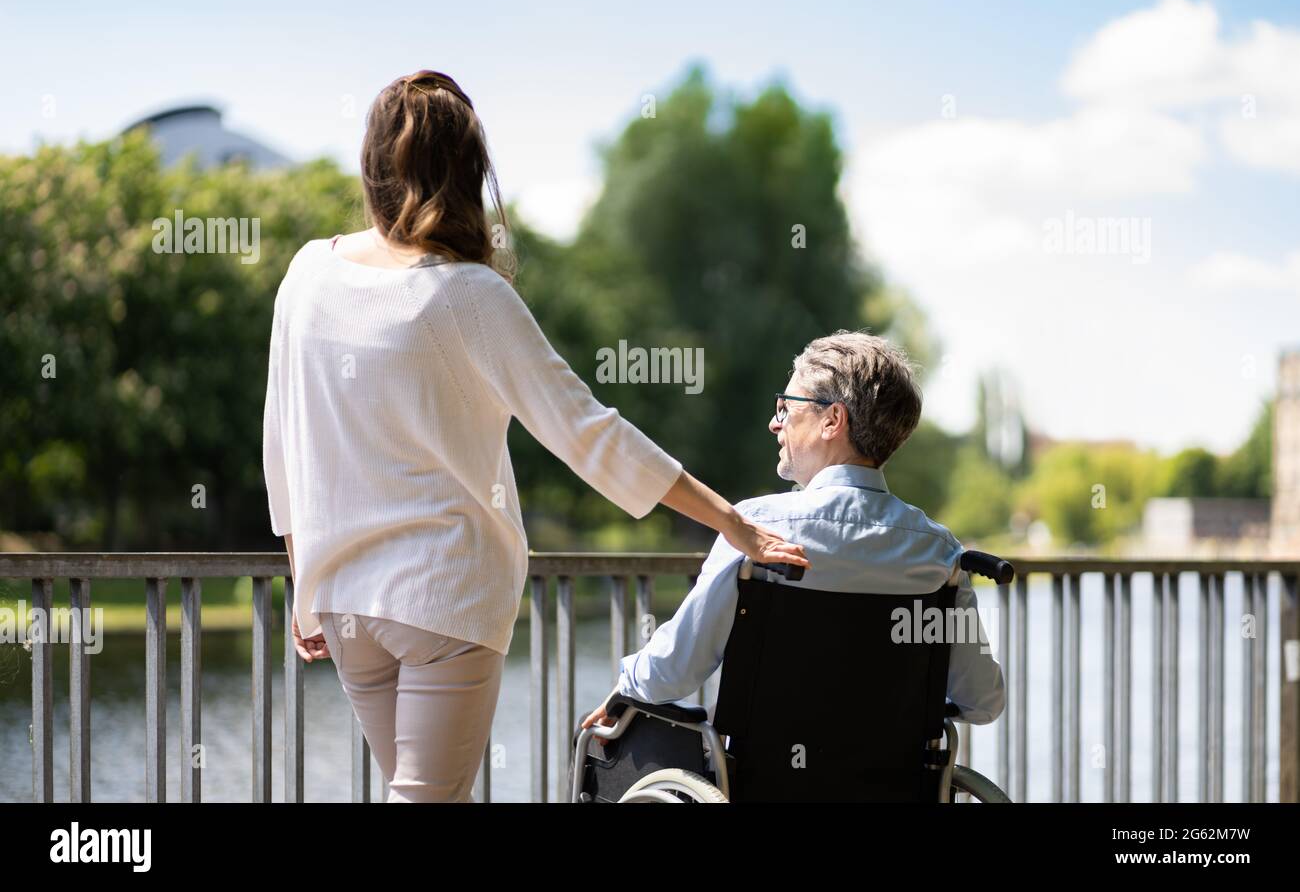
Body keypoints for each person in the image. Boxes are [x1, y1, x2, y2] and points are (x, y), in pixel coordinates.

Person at [261, 69, 807, 802]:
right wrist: (734, 523)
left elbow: (284, 442)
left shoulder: (305, 273)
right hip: (444, 597)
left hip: (345, 603)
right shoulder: (469, 294)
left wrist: (307, 577)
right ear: (468, 176)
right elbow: (589, 432)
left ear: (372, 169)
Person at [581, 330, 1005, 743]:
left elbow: (671, 674)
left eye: (786, 407)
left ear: (832, 420)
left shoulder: (756, 531)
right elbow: (983, 700)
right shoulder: (939, 554)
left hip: (764, 781)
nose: (773, 423)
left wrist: (627, 684)